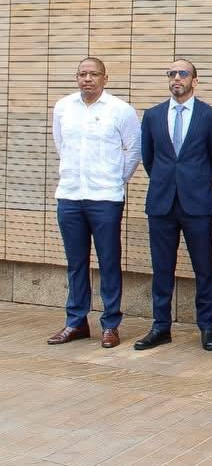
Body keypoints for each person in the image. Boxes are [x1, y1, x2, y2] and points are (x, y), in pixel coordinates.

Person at [48, 57, 141, 348]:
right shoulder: (63, 108)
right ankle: (76, 322)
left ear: (105, 78)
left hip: (105, 198)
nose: (87, 79)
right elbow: (60, 144)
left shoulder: (121, 110)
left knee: (109, 261)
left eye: (94, 74)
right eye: (82, 74)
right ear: (77, 78)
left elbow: (134, 149)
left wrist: (116, 180)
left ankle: (110, 323)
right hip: (70, 195)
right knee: (76, 263)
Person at [136, 59, 212, 352]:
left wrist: (194, 182)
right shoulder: (152, 115)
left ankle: (207, 328)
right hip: (161, 203)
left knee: (203, 269)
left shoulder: (209, 116)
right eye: (172, 73)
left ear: (194, 81)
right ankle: (160, 327)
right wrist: (168, 181)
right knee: (162, 268)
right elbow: (149, 159)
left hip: (197, 204)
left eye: (183, 73)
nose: (177, 78)